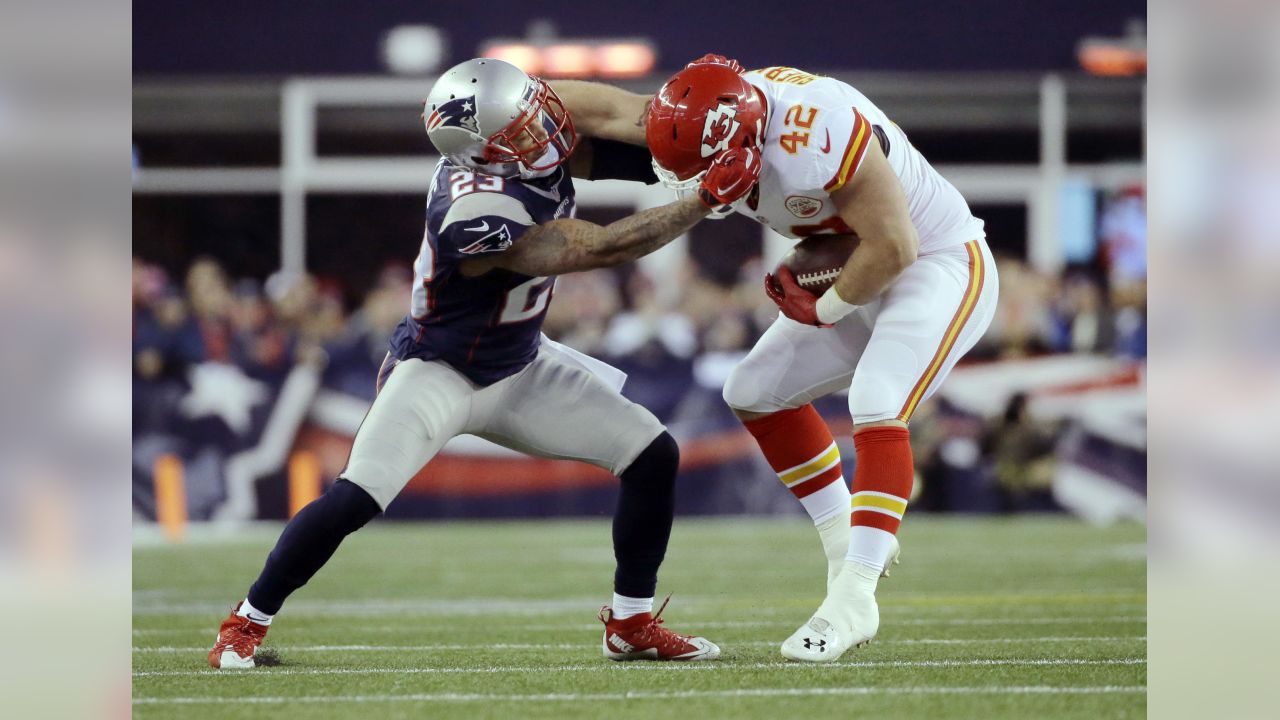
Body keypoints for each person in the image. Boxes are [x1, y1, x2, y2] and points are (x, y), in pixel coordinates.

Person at [208, 58, 762, 668]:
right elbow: (604, 247)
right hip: (439, 371)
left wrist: (714, 152)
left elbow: (636, 150)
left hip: (521, 364)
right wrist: (707, 197)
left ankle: (629, 622)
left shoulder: (523, 143)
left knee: (652, 454)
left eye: (534, 115)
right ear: (484, 155)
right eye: (522, 131)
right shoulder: (470, 210)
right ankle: (244, 623)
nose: (544, 131)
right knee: (355, 498)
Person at [554, 54, 998, 661]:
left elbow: (895, 245)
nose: (689, 185)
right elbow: (606, 111)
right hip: (867, 259)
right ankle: (846, 541)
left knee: (877, 397)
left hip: (938, 264)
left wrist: (825, 308)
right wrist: (515, 101)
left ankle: (855, 595)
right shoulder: (702, 111)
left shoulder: (818, 134)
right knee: (754, 389)